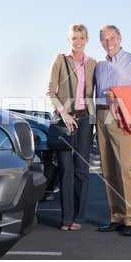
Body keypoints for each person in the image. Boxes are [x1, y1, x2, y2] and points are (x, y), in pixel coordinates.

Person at [95, 25, 131, 236]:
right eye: (104, 39)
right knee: (108, 169)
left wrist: (119, 94)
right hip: (102, 115)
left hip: (121, 115)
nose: (108, 42)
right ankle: (116, 217)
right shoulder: (99, 65)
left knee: (125, 168)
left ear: (120, 38)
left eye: (112, 38)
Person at [46, 24, 96, 231]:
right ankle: (66, 219)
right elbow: (50, 91)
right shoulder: (60, 60)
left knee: (82, 170)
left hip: (85, 121)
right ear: (69, 40)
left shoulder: (92, 63)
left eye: (82, 38)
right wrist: (63, 113)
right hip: (65, 121)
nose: (78, 41)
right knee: (66, 169)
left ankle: (78, 217)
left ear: (87, 40)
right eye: (74, 38)